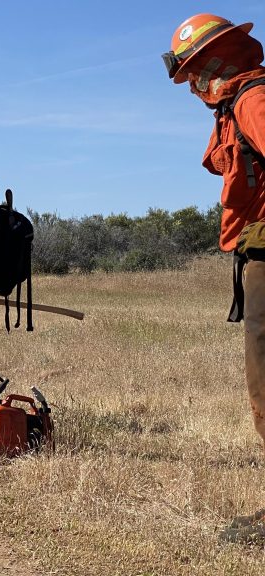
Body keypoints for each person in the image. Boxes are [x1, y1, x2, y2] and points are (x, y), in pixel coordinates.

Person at [162, 14, 265, 446]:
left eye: (196, 74)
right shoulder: (237, 106)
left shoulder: (252, 101)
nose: (193, 87)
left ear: (218, 64)